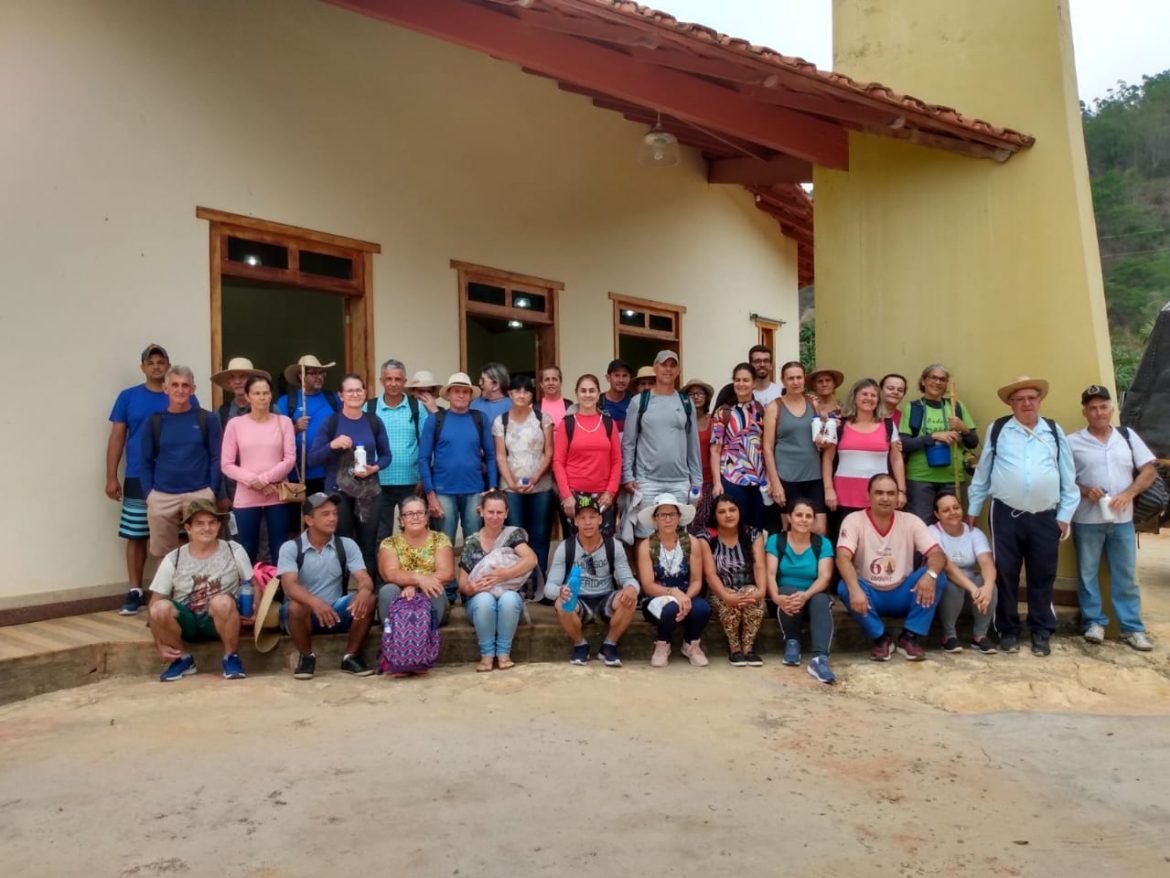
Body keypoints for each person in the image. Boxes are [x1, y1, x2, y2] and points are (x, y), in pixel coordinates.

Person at [967, 376, 1078, 656]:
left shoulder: (1053, 430)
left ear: (1039, 401)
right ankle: (1008, 630)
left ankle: (1041, 631)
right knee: (1005, 573)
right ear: (1011, 403)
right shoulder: (999, 429)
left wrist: (1064, 515)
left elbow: (1069, 477)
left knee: (1043, 574)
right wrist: (972, 511)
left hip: (1046, 516)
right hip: (1005, 514)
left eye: (1032, 398)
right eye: (1020, 399)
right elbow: (982, 475)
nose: (1027, 403)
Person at [108, 344, 197, 615]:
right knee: (136, 534)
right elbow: (117, 437)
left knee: (180, 535)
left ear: (168, 364)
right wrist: (111, 475)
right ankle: (135, 590)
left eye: (161, 361)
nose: (157, 365)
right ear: (143, 367)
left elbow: (196, 437)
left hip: (175, 479)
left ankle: (176, 590)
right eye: (151, 361)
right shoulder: (128, 397)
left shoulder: (186, 398)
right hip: (137, 474)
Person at [1069, 384, 1158, 651]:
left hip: (1122, 521)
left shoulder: (1127, 436)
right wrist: (1085, 490)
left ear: (1111, 408)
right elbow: (1062, 480)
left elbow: (1149, 471)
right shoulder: (1072, 441)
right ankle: (1093, 623)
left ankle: (1131, 628)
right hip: (1086, 520)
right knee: (1087, 574)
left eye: (1103, 406)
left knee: (1126, 575)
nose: (1098, 412)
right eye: (1092, 408)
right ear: (1084, 411)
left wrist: (1129, 493)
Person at [837, 474, 948, 661]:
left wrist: (930, 575)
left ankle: (910, 637)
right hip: (870, 594)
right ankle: (881, 639)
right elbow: (842, 557)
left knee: (938, 576)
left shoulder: (911, 521)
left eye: (890, 493)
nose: (885, 498)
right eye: (879, 493)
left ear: (898, 497)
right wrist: (855, 588)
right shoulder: (854, 520)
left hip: (903, 592)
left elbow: (937, 554)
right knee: (845, 586)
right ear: (868, 496)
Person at [147, 499, 251, 682]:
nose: (207, 528)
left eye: (212, 522)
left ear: (219, 526)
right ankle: (182, 658)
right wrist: (159, 643)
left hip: (220, 617)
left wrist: (255, 609)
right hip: (187, 620)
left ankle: (231, 657)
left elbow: (253, 584)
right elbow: (154, 602)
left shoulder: (234, 549)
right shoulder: (174, 558)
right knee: (159, 608)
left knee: (222, 601)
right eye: (200, 524)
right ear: (188, 528)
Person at [276, 492, 377, 679]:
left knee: (369, 599)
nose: (332, 518)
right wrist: (315, 602)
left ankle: (351, 656)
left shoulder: (346, 544)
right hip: (301, 616)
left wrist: (364, 589)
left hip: (334, 611)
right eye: (325, 514)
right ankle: (306, 657)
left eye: (335, 513)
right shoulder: (291, 548)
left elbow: (364, 578)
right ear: (309, 520)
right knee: (297, 606)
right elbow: (290, 587)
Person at [419, 372, 498, 598]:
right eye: (457, 391)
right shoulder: (436, 420)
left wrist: (491, 489)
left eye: (465, 391)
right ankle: (448, 592)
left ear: (470, 395)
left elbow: (491, 456)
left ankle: (472, 589)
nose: (461, 395)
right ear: (449, 395)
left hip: (474, 491)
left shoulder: (479, 418)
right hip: (443, 492)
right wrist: (430, 494)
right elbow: (424, 458)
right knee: (444, 543)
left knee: (474, 542)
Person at [308, 373, 390, 577]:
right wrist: (332, 445)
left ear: (365, 393)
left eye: (359, 389)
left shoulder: (373, 421)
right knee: (342, 547)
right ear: (341, 395)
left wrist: (374, 468)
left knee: (368, 548)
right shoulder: (331, 422)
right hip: (338, 494)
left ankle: (369, 601)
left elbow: (387, 456)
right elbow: (312, 460)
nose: (355, 393)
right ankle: (340, 602)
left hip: (369, 491)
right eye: (350, 390)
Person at [544, 495, 640, 666]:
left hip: (606, 599)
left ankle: (609, 645)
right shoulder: (566, 547)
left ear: (600, 519)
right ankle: (580, 644)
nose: (587, 522)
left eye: (592, 517)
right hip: (578, 600)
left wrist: (632, 588)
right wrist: (560, 591)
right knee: (561, 602)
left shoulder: (613, 546)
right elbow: (549, 588)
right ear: (575, 522)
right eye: (582, 517)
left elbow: (628, 579)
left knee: (630, 598)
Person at [141, 365, 222, 560]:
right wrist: (149, 495)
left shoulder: (207, 419)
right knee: (163, 554)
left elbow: (216, 458)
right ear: (165, 388)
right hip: (162, 496)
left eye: (185, 385)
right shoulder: (154, 422)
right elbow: (144, 461)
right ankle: (167, 590)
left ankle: (202, 590)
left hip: (199, 492)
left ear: (193, 389)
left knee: (204, 547)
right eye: (175, 385)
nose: (180, 390)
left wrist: (212, 490)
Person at [621, 350, 703, 540]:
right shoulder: (639, 402)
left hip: (680, 481)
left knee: (678, 536)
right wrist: (627, 475)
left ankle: (676, 571)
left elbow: (693, 443)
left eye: (673, 365)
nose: (668, 369)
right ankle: (645, 571)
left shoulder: (686, 402)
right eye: (664, 364)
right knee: (645, 535)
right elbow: (629, 443)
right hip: (647, 481)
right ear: (655, 367)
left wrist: (696, 479)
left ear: (678, 370)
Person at [457, 489, 538, 671]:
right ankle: (486, 656)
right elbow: (462, 583)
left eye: (499, 512)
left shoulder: (512, 536)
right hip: (479, 602)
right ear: (481, 512)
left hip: (508, 598)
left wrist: (505, 574)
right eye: (490, 512)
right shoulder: (472, 542)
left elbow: (531, 559)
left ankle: (503, 654)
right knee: (485, 600)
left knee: (508, 599)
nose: (495, 517)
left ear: (507, 514)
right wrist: (472, 588)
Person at [220, 375, 295, 564]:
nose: (262, 397)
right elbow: (226, 464)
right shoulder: (235, 424)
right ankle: (248, 590)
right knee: (246, 547)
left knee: (280, 546)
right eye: (256, 393)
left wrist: (265, 480)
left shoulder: (283, 422)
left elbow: (289, 459)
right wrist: (254, 481)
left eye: (266, 393)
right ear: (247, 396)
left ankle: (281, 590)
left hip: (277, 492)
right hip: (246, 494)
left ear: (271, 395)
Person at [822, 378, 906, 537]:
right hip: (843, 494)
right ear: (854, 397)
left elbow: (896, 459)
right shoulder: (840, 425)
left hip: (879, 495)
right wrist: (828, 489)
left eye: (873, 395)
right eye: (864, 394)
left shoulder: (887, 425)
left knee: (876, 539)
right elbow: (827, 459)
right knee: (843, 540)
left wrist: (901, 490)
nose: (869, 398)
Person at [765, 498, 837, 683]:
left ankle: (819, 659)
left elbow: (825, 577)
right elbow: (770, 573)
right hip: (783, 600)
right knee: (787, 591)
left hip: (811, 596)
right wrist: (774, 596)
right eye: (799, 515)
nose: (803, 520)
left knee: (821, 600)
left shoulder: (822, 543)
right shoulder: (776, 540)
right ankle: (792, 642)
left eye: (808, 516)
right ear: (789, 517)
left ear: (813, 520)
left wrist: (805, 595)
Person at [899, 364, 979, 523]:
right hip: (920, 479)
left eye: (942, 379)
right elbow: (905, 443)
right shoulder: (914, 408)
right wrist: (934, 436)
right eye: (933, 378)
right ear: (923, 381)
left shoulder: (956, 406)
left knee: (952, 525)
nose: (937, 382)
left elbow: (973, 443)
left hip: (952, 478)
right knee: (921, 527)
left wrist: (964, 429)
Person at [637, 493, 710, 667]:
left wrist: (685, 597)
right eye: (663, 515)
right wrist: (674, 593)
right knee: (669, 609)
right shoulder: (646, 546)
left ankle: (691, 643)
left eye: (672, 514)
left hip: (686, 595)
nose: (668, 519)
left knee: (702, 609)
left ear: (679, 518)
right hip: (657, 597)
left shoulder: (692, 542)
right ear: (656, 519)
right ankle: (663, 643)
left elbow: (696, 581)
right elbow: (648, 585)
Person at [494, 375, 555, 579]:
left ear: (531, 394)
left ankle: (540, 580)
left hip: (541, 486)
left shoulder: (542, 418)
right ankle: (518, 582)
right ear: (509, 393)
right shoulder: (500, 421)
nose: (521, 394)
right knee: (516, 535)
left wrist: (535, 478)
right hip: (511, 488)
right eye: (517, 390)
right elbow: (501, 456)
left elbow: (549, 452)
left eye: (526, 391)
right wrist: (511, 483)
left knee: (539, 534)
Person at [762, 361, 829, 535]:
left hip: (813, 474)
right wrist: (775, 483)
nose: (796, 382)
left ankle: (817, 563)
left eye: (799, 377)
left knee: (819, 528)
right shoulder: (774, 407)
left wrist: (824, 437)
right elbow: (767, 448)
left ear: (804, 379)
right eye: (790, 378)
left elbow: (822, 435)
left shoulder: (813, 404)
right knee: (791, 529)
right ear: (783, 381)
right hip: (787, 477)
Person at [552, 374, 622, 539]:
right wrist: (566, 495)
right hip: (575, 497)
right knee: (576, 547)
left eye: (592, 391)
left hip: (603, 497)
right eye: (583, 391)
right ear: (577, 394)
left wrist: (610, 493)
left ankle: (604, 567)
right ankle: (577, 568)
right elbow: (558, 462)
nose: (588, 395)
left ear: (598, 394)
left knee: (603, 545)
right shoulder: (567, 424)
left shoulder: (608, 423)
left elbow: (617, 461)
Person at [930, 492, 998, 653]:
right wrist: (974, 589)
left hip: (970, 593)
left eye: (956, 507)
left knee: (988, 583)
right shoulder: (932, 532)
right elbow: (948, 568)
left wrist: (986, 588)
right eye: (946, 510)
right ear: (936, 514)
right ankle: (949, 636)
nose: (953, 512)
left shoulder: (974, 533)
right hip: (946, 587)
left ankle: (980, 636)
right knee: (951, 584)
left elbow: (987, 563)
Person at [703, 496, 766, 667]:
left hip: (748, 587)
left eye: (732, 510)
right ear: (714, 515)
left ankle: (748, 648)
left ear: (739, 512)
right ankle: (735, 649)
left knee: (752, 593)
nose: (728, 515)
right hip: (719, 591)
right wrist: (725, 595)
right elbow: (710, 573)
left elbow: (759, 565)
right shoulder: (706, 537)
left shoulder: (753, 534)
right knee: (730, 598)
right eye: (722, 512)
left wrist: (761, 591)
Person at [371, 358, 428, 541]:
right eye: (389, 379)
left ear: (404, 381)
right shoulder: (370, 408)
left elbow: (426, 445)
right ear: (382, 381)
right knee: (381, 534)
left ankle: (412, 569)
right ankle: (382, 570)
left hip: (411, 482)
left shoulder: (416, 407)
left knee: (413, 530)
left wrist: (422, 477)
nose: (393, 384)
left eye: (398, 379)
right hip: (379, 481)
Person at [377, 495, 454, 628]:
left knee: (435, 589)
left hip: (431, 599)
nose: (415, 517)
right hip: (400, 599)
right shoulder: (389, 543)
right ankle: (395, 632)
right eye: (409, 514)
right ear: (401, 520)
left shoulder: (440, 539)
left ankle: (426, 633)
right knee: (388, 590)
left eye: (420, 512)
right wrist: (418, 579)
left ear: (427, 518)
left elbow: (446, 573)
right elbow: (390, 574)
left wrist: (416, 585)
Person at [710, 363, 768, 530]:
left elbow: (767, 445)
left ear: (754, 383)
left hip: (758, 479)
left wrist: (770, 477)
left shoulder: (761, 410)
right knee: (734, 526)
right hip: (731, 477)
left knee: (757, 527)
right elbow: (715, 450)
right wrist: (717, 482)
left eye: (745, 380)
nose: (741, 384)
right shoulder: (723, 412)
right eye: (737, 380)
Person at [275, 354, 339, 496]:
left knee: (324, 514)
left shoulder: (333, 399)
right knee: (298, 516)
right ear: (300, 375)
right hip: (296, 474)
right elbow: (275, 436)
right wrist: (296, 428)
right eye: (313, 373)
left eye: (321, 372)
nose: (319, 376)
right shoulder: (286, 402)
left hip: (328, 473)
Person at [683, 378, 715, 535]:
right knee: (687, 522)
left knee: (704, 522)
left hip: (708, 480)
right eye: (691, 393)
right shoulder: (681, 421)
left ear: (706, 397)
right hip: (685, 480)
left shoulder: (714, 422)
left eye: (700, 393)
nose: (696, 397)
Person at [713, 344, 784, 408]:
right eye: (757, 361)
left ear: (771, 365)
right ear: (750, 365)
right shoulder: (732, 391)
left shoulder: (781, 392)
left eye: (766, 361)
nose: (762, 364)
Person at [211, 356, 268, 426]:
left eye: (243, 376)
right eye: (232, 377)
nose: (237, 382)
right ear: (229, 382)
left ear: (252, 380)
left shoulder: (270, 409)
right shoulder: (221, 412)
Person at [471, 362, 512, 426]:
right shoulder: (475, 403)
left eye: (483, 380)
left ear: (496, 385)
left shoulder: (511, 406)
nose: (479, 383)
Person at [601, 358, 633, 428]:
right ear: (608, 378)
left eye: (624, 376)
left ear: (630, 378)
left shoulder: (634, 401)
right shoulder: (598, 402)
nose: (621, 380)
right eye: (617, 375)